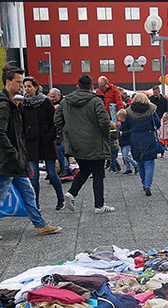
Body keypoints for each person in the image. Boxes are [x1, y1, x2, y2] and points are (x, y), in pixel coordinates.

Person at [0, 65, 62, 240]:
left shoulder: (9, 103)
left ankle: (40, 225)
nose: (21, 86)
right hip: (7, 160)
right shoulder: (3, 106)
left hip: (13, 159)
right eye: (18, 82)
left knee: (27, 192)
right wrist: (13, 152)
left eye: (22, 82)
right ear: (8, 82)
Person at [54, 74, 115, 213]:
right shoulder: (95, 101)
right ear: (92, 87)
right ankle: (99, 205)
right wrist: (105, 136)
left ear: (77, 86)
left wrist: (66, 135)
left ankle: (72, 193)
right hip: (95, 143)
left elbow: (57, 120)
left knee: (85, 170)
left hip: (76, 144)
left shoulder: (65, 102)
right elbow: (104, 121)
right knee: (98, 174)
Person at [20, 77, 65, 211]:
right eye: (25, 86)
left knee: (52, 174)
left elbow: (54, 120)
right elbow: (21, 123)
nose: (27, 89)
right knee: (34, 176)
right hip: (31, 143)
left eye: (29, 86)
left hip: (46, 142)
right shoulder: (23, 104)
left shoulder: (45, 102)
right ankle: (36, 203)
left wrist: (50, 135)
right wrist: (25, 136)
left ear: (36, 87)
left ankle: (60, 198)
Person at [120, 92, 160, 196]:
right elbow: (158, 123)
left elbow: (125, 127)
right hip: (148, 137)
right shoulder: (151, 110)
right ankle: (148, 185)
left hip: (135, 138)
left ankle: (144, 182)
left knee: (140, 161)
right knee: (149, 162)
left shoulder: (129, 112)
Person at [47, 87, 73, 177]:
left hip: (63, 130)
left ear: (59, 95)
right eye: (51, 97)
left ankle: (65, 168)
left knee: (62, 149)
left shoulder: (65, 103)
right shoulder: (50, 103)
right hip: (54, 130)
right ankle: (58, 169)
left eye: (53, 97)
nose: (52, 99)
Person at [116, 109, 137, 175]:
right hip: (122, 141)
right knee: (125, 156)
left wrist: (123, 133)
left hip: (127, 140)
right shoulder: (122, 123)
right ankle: (128, 169)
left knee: (125, 156)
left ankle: (135, 165)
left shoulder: (128, 122)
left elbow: (131, 131)